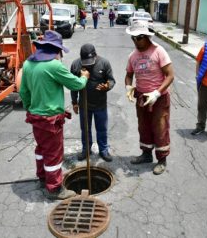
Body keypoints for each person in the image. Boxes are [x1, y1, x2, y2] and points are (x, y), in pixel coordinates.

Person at [19, 30, 90, 200]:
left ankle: (43, 177)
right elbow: (76, 85)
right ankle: (55, 188)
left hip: (35, 117)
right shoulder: (54, 66)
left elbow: (23, 91)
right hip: (51, 119)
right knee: (54, 153)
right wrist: (84, 77)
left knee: (41, 149)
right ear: (56, 50)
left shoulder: (28, 64)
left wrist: (30, 108)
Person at [125, 21, 174, 175]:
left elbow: (170, 75)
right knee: (144, 126)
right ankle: (146, 154)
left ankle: (161, 159)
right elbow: (128, 75)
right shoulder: (132, 56)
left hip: (159, 97)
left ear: (146, 36)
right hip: (141, 97)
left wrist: (157, 93)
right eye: (133, 38)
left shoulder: (159, 51)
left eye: (139, 37)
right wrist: (128, 87)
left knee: (160, 128)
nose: (135, 41)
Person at [71, 44, 115, 162]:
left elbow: (111, 80)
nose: (87, 64)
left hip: (100, 104)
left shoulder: (104, 63)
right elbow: (73, 85)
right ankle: (86, 149)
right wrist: (74, 102)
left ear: (95, 55)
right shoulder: (75, 65)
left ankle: (103, 150)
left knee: (101, 129)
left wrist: (107, 86)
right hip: (84, 105)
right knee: (85, 128)